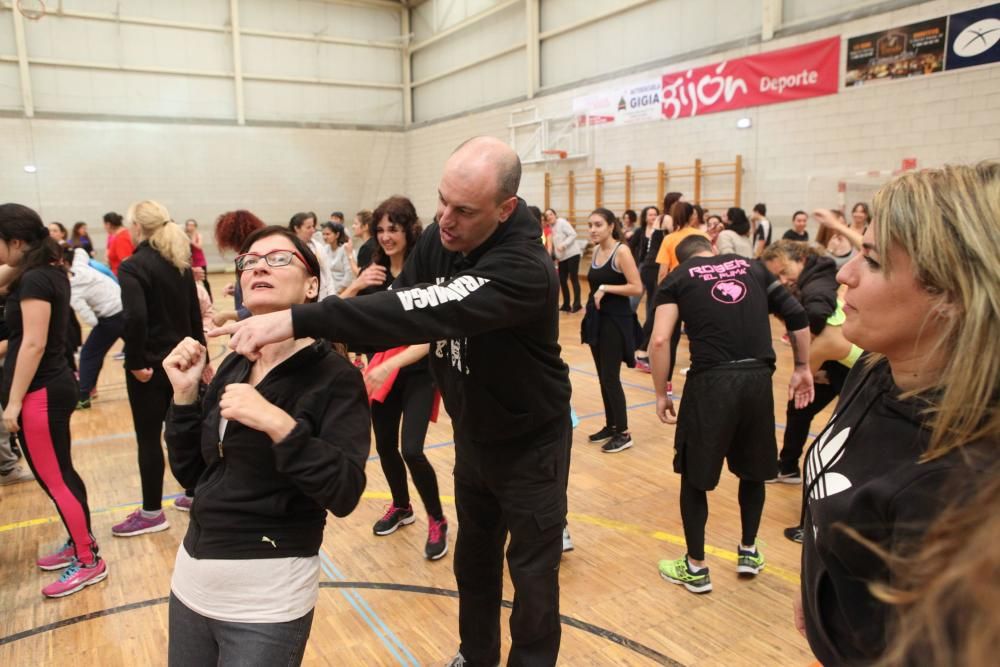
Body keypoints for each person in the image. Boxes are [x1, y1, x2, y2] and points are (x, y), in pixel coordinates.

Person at [214, 136, 572, 667]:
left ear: (506, 209)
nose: (445, 219)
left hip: (531, 443)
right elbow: (391, 305)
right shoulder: (443, 240)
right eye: (442, 201)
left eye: (464, 210)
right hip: (475, 437)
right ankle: (476, 657)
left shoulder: (523, 269)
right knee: (474, 563)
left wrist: (297, 317)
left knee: (533, 577)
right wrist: (277, 320)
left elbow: (416, 309)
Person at [796, 163, 999, 665]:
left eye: (873, 259)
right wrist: (818, 585)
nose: (844, 273)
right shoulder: (877, 364)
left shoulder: (959, 485)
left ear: (952, 295)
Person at [162, 225, 369, 667]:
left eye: (277, 258)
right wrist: (183, 398)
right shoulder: (236, 362)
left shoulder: (335, 377)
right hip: (192, 582)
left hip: (266, 598)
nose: (258, 266)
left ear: (312, 285)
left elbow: (346, 491)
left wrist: (277, 424)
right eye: (249, 261)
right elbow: (196, 478)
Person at [650, 234, 813, 594]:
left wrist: (662, 393)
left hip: (711, 383)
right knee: (753, 472)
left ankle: (695, 568)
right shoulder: (754, 268)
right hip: (758, 381)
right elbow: (797, 314)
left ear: (680, 260)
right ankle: (749, 551)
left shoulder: (676, 279)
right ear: (711, 247)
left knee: (695, 477)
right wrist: (803, 366)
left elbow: (661, 340)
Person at [0, 203, 107, 597]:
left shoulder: (35, 281)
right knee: (61, 473)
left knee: (56, 478)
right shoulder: (42, 271)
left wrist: (13, 403)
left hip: (40, 392)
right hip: (49, 387)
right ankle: (80, 541)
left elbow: (32, 343)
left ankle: (89, 559)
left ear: (14, 241)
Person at [345, 196, 448, 559]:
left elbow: (432, 335)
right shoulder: (373, 274)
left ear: (409, 230)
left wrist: (392, 363)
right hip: (382, 374)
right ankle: (402, 506)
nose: (387, 236)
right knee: (386, 446)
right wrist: (357, 286)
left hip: (418, 372)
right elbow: (339, 319)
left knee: (413, 449)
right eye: (381, 230)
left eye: (394, 229)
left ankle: (437, 518)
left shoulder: (423, 273)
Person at [113, 200, 206, 535]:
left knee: (149, 438)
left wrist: (136, 361)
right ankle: (196, 492)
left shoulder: (133, 266)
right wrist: (201, 355)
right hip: (183, 361)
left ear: (137, 227)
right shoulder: (179, 263)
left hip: (151, 366)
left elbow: (135, 318)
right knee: (184, 426)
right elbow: (194, 312)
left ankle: (152, 512)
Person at [580, 208, 642, 453]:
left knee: (610, 377)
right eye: (590, 225)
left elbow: (637, 287)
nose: (593, 229)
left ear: (611, 226)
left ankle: (624, 433)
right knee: (602, 376)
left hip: (616, 321)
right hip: (598, 320)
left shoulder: (622, 251)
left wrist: (606, 287)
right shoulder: (596, 250)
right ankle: (611, 424)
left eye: (598, 225)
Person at [66, 247, 124, 409]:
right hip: (126, 307)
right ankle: (89, 389)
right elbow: (80, 251)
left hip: (111, 318)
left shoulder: (72, 290)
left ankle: (83, 395)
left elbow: (90, 319)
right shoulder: (80, 265)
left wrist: (99, 316)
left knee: (89, 354)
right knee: (142, 348)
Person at [212, 209, 265, 327]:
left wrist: (226, 315)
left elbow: (259, 306)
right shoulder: (247, 256)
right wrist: (236, 290)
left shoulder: (253, 259)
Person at [549, 209, 582, 312]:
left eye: (551, 214)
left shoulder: (562, 222)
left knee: (573, 278)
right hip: (562, 257)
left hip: (572, 254)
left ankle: (577, 304)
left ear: (555, 215)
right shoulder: (550, 228)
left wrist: (564, 245)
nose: (549, 216)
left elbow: (573, 234)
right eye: (547, 215)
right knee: (562, 280)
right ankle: (566, 304)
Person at [319, 222, 354, 297]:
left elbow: (349, 274)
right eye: (323, 234)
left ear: (337, 235)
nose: (325, 237)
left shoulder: (346, 248)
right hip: (330, 290)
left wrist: (339, 292)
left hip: (344, 290)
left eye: (328, 234)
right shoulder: (325, 249)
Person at [185, 219, 211, 300]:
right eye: (189, 225)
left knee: (204, 280)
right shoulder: (185, 235)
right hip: (190, 261)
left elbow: (199, 246)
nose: (190, 227)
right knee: (192, 281)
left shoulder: (198, 235)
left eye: (192, 225)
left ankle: (209, 298)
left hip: (200, 260)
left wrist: (191, 241)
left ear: (195, 226)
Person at [104, 210, 134, 275]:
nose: (104, 227)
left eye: (104, 225)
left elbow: (127, 263)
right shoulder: (123, 235)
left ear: (108, 224)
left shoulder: (121, 238)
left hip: (121, 278)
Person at [351, 209, 375, 274]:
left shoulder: (366, 248)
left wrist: (349, 254)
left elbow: (361, 275)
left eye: (356, 224)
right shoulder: (374, 242)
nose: (353, 226)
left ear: (365, 226)